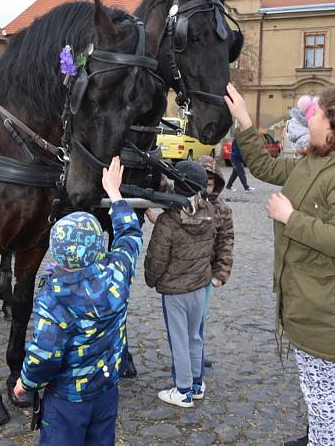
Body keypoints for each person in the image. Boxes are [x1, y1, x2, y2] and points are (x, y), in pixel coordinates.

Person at [224, 82, 335, 446]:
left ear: (334, 126)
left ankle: (323, 441)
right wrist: (243, 118)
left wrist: (290, 218)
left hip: (328, 303)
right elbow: (265, 166)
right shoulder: (318, 159)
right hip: (309, 294)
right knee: (314, 383)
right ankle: (318, 436)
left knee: (322, 389)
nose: (310, 116)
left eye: (317, 112)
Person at [13, 156, 142, 446]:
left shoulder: (55, 299)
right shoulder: (118, 271)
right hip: (107, 390)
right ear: (98, 245)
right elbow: (130, 237)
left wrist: (26, 384)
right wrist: (115, 194)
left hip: (68, 399)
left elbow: (45, 355)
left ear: (57, 254)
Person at [144, 160, 213, 408]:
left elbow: (157, 258)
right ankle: (197, 383)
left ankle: (183, 390)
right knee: (195, 336)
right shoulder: (210, 213)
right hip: (199, 288)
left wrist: (151, 280)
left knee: (179, 339)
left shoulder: (168, 221)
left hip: (175, 292)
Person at [196, 155, 235, 369]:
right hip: (185, 273)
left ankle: (198, 353)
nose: (205, 188)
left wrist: (221, 272)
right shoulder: (186, 204)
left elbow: (226, 242)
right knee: (187, 320)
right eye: (201, 183)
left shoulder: (223, 210)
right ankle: (191, 356)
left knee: (200, 317)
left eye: (209, 183)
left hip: (206, 273)